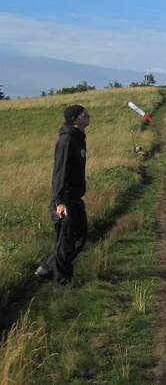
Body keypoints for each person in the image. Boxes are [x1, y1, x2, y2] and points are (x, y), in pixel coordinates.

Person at [35, 104, 91, 288]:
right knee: (66, 241)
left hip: (75, 198)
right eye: (84, 114)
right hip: (64, 200)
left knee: (80, 237)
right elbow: (60, 173)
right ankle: (63, 282)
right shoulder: (67, 141)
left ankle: (48, 267)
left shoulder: (78, 138)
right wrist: (59, 202)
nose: (88, 115)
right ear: (75, 119)